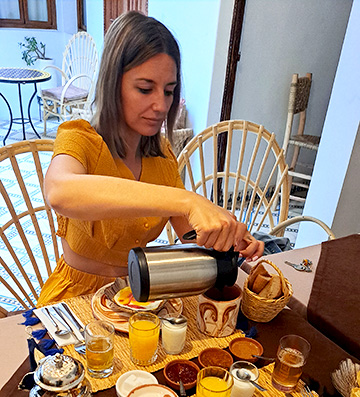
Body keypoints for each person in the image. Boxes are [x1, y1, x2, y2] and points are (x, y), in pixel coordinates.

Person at [38, 11, 263, 306]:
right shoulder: (80, 138)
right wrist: (187, 200)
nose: (161, 105)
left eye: (169, 92)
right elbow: (59, 191)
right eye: (145, 89)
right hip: (74, 300)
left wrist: (231, 240)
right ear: (112, 83)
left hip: (138, 296)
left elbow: (192, 235)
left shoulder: (163, 157)